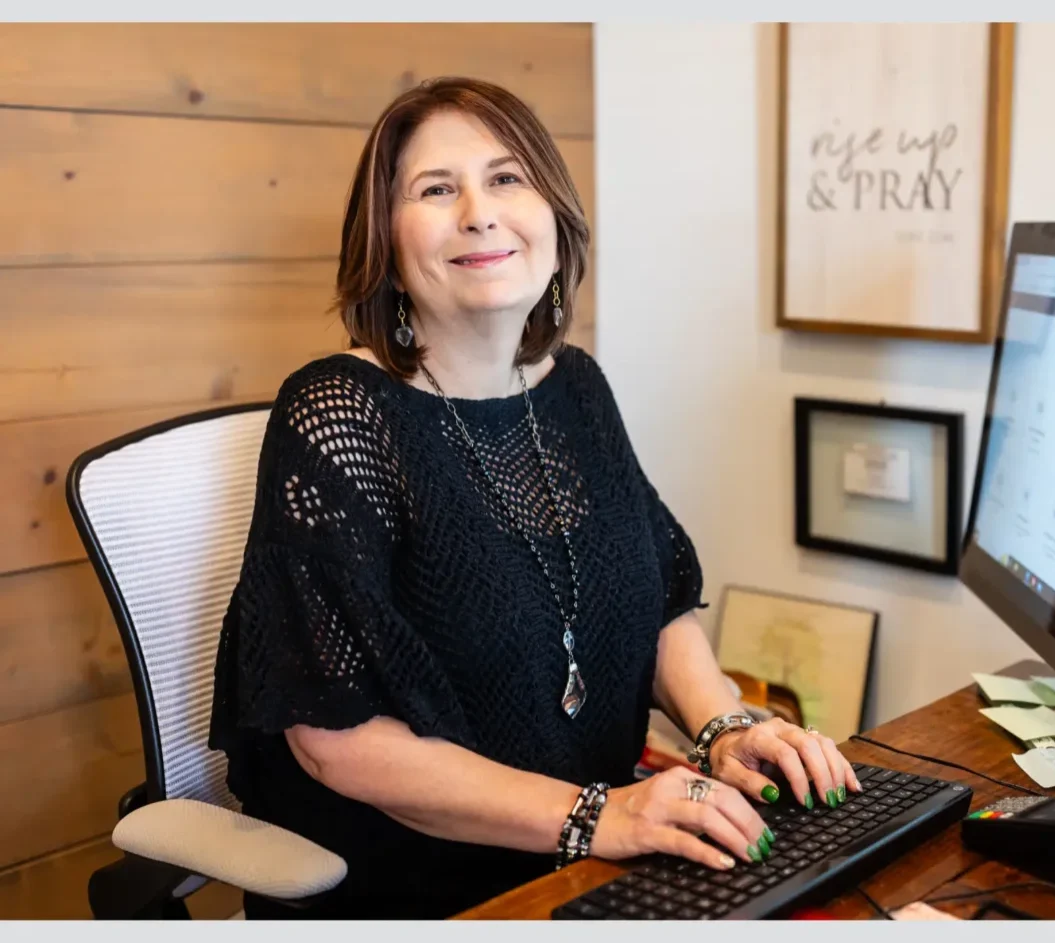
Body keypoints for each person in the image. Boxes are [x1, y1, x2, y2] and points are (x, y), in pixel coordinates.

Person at [208, 76, 861, 919]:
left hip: (594, 857)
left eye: (507, 178)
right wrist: (601, 813)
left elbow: (655, 603)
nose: (478, 211)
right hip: (419, 885)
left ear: (554, 221)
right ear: (385, 243)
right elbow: (336, 742)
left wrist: (723, 729)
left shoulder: (575, 390)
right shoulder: (338, 414)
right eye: (437, 190)